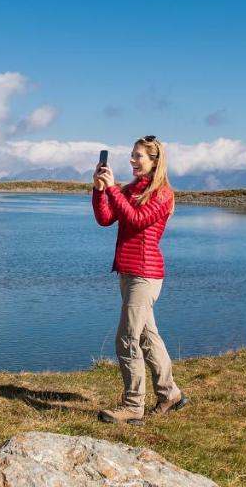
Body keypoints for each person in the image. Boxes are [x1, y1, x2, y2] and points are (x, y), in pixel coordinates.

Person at [91, 135, 187, 424]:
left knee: (126, 338)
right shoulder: (132, 189)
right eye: (132, 155)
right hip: (127, 271)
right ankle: (169, 393)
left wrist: (113, 190)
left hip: (145, 274)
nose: (132, 161)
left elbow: (134, 219)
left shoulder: (163, 194)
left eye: (138, 156)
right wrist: (99, 191)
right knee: (147, 335)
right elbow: (106, 218)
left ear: (154, 160)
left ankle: (134, 406)